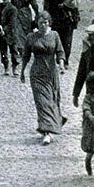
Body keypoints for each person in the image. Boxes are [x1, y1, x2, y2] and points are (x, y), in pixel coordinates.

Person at [20, 11, 67, 145]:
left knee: (52, 100)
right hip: (37, 74)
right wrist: (22, 71)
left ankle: (52, 123)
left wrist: (62, 65)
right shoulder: (31, 37)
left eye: (45, 22)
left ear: (49, 23)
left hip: (51, 73)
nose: (43, 25)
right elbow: (26, 55)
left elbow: (60, 51)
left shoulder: (54, 35)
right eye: (41, 23)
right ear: (37, 23)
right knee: (42, 103)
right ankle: (47, 132)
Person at [0, 0, 20, 75]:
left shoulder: (13, 9)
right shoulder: (0, 6)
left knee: (14, 52)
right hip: (1, 33)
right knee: (3, 52)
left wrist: (4, 30)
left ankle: (15, 68)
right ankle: (6, 68)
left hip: (11, 33)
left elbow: (12, 22)